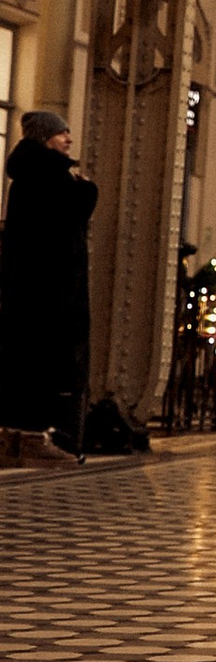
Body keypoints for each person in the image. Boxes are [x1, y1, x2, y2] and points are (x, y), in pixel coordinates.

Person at [0, 108, 97, 467]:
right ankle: (33, 438)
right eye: (61, 133)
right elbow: (68, 223)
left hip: (22, 287)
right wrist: (87, 190)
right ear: (44, 138)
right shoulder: (53, 178)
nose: (68, 138)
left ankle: (11, 437)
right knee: (43, 361)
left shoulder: (24, 177)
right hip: (50, 291)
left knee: (19, 359)